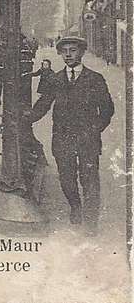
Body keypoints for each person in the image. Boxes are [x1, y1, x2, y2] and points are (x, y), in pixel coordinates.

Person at [24, 36, 114, 233]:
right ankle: (75, 206)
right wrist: (26, 119)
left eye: (73, 50)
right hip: (63, 138)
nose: (68, 54)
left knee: (89, 179)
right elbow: (43, 104)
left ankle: (91, 222)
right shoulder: (55, 79)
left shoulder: (95, 79)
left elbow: (107, 110)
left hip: (87, 139)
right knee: (66, 178)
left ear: (81, 53)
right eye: (64, 51)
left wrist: (94, 130)